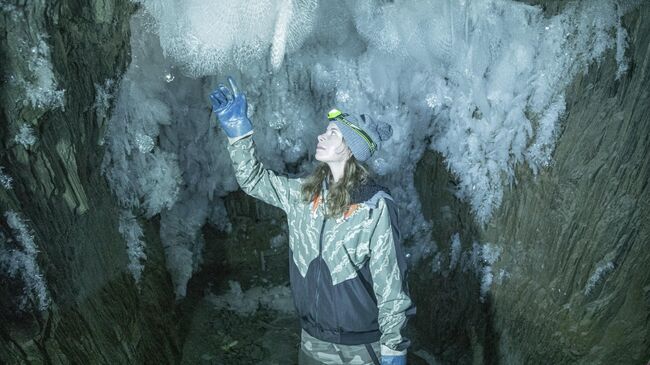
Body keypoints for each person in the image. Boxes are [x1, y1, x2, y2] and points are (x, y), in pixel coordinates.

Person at [209, 77, 415, 365]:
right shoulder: (304, 194)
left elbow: (390, 282)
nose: (321, 136)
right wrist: (239, 135)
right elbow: (254, 180)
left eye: (332, 133)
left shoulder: (374, 206)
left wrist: (394, 349)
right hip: (312, 341)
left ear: (350, 147)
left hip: (359, 348)